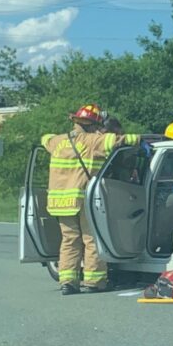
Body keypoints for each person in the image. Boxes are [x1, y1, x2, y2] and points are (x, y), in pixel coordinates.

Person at [39, 104, 140, 295]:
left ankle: (68, 282)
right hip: (83, 200)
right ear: (93, 124)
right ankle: (95, 281)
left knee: (69, 241)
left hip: (60, 203)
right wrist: (142, 138)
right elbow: (121, 140)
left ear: (76, 122)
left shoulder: (58, 142)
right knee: (91, 239)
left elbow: (45, 138)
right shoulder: (94, 141)